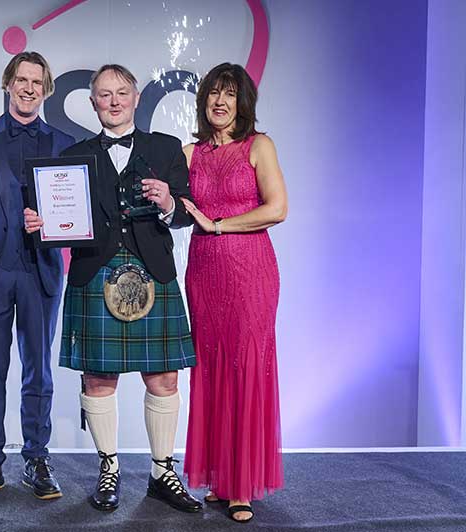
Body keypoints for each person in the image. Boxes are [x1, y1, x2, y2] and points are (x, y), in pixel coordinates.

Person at [25, 64, 200, 513]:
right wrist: (42, 225)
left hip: (152, 271)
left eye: (122, 92)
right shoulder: (74, 153)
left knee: (163, 378)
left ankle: (163, 472)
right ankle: (109, 469)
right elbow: (65, 220)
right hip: (94, 272)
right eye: (105, 95)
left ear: (137, 96)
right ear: (93, 103)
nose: (114, 101)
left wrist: (169, 204)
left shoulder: (165, 149)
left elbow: (186, 212)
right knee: (99, 379)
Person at [0, 51, 75, 503]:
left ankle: (37, 458)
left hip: (41, 270)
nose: (28, 88)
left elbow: (73, 214)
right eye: (21, 80)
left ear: (46, 89)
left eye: (36, 82)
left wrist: (54, 222)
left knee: (39, 372)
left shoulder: (65, 143)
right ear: (8, 84)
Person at [181, 62, 288, 524]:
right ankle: (220, 480)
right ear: (203, 102)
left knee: (245, 368)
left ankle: (241, 485)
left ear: (244, 103)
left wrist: (219, 223)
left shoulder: (258, 146)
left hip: (249, 272)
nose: (220, 102)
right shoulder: (189, 152)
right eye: (213, 95)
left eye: (230, 94)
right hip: (204, 272)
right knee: (210, 369)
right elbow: (165, 205)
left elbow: (278, 208)